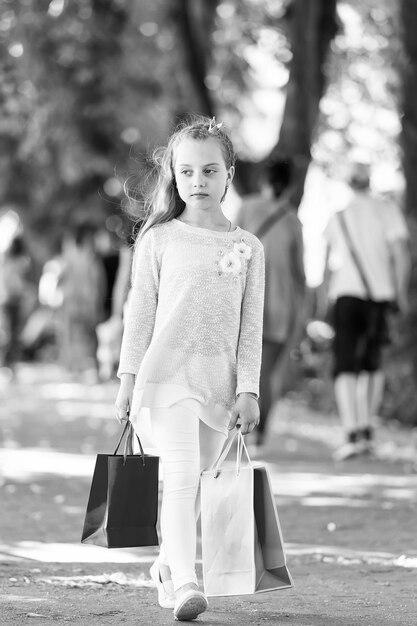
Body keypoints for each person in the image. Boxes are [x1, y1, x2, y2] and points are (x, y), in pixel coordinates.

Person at [115, 116, 265, 621]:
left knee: (198, 480)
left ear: (229, 173)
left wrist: (249, 389)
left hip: (218, 384)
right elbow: (139, 315)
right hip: (165, 376)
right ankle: (185, 581)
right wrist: (127, 380)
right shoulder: (159, 239)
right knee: (179, 477)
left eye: (209, 170)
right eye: (187, 172)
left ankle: (164, 567)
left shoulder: (249, 248)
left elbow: (251, 327)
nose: (198, 182)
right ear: (174, 177)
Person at [323, 163, 410, 461]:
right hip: (379, 297)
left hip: (345, 296)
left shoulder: (339, 216)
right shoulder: (386, 211)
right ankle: (367, 428)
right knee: (372, 363)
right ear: (369, 181)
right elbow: (401, 255)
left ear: (348, 183)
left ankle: (351, 432)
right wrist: (401, 294)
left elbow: (326, 262)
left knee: (344, 364)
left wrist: (322, 301)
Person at [236, 159, 306, 448]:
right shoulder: (292, 221)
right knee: (267, 372)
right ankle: (259, 432)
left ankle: (235, 426)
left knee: (241, 367)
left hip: (243, 301)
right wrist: (303, 315)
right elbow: (299, 274)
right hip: (280, 306)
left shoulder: (246, 208)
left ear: (263, 180)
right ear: (290, 187)